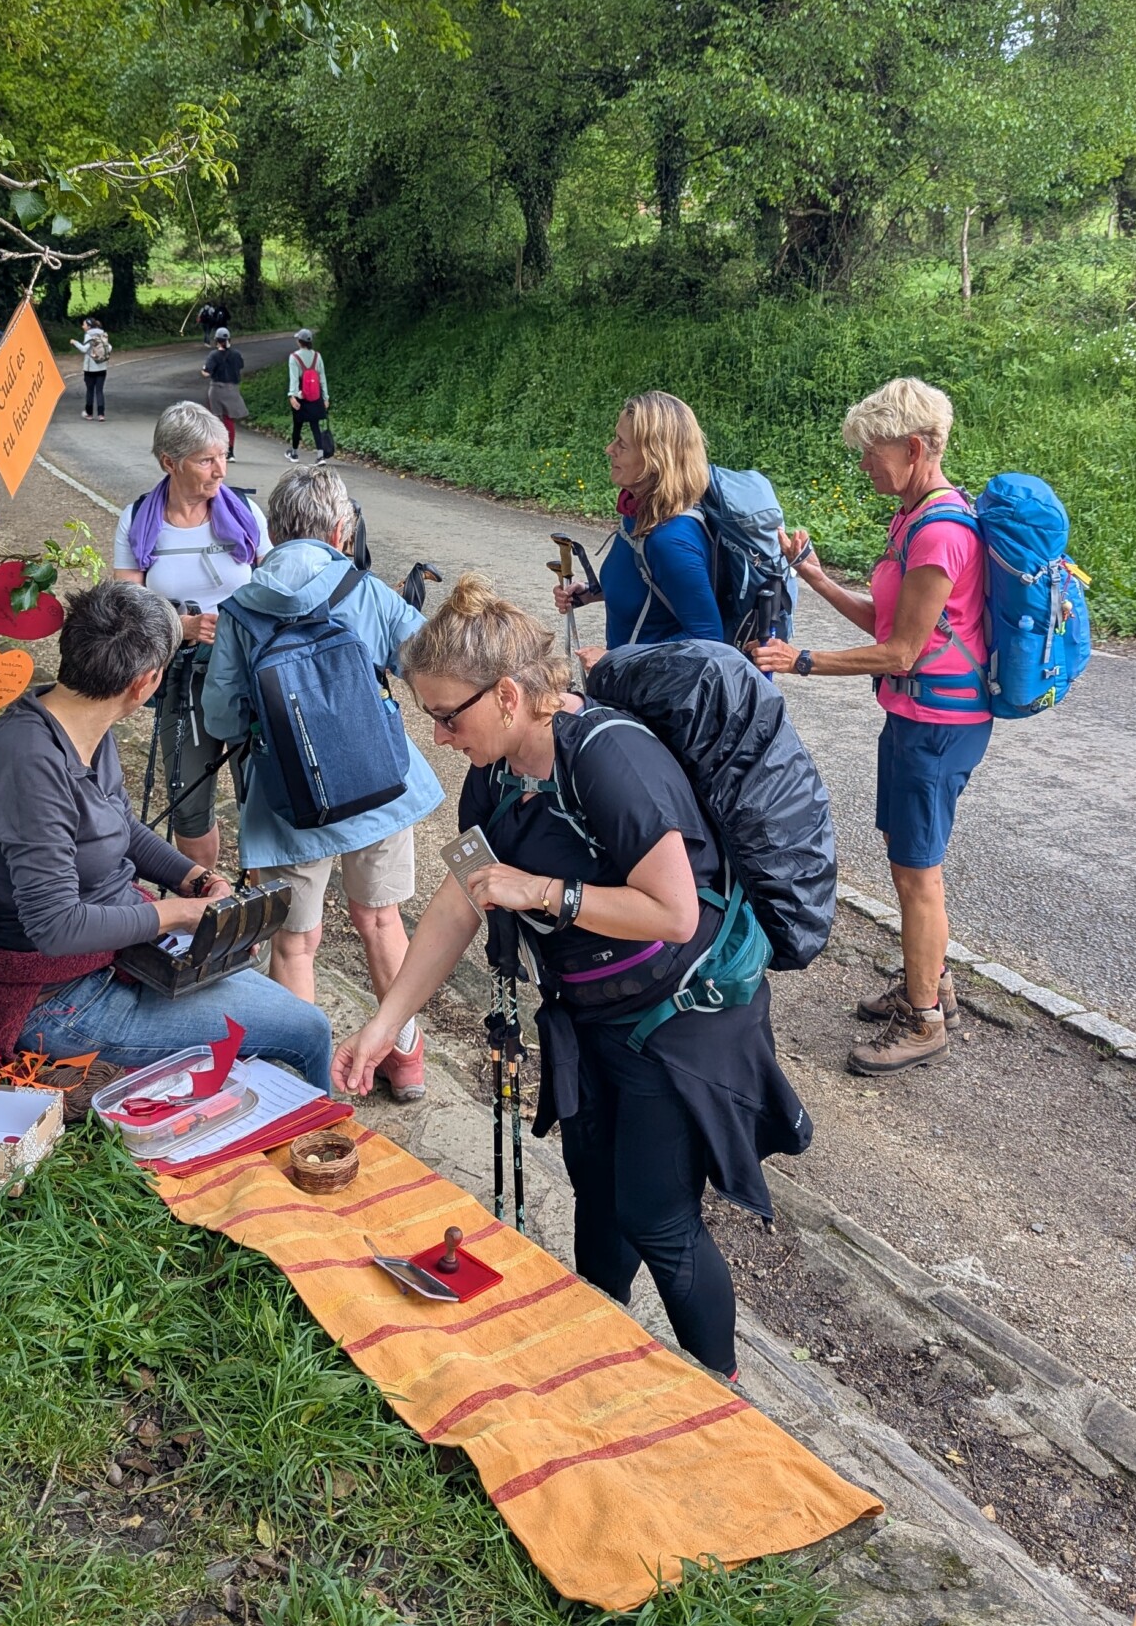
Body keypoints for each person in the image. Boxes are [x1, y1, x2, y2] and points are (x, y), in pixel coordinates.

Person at [331, 576, 809, 1379]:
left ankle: (722, 1397)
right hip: (591, 1008)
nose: (440, 737)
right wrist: (386, 1027)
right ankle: (596, 1349)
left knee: (657, 1215)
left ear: (509, 694)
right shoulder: (494, 777)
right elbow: (459, 902)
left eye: (448, 716)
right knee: (594, 1184)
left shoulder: (611, 758)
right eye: (431, 718)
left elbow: (674, 912)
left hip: (679, 1012)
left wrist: (545, 892)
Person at [0, 579, 333, 1090]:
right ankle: (315, 1154)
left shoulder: (82, 724)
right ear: (147, 682)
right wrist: (178, 914)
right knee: (308, 1028)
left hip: (124, 958)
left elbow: (120, 828)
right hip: (60, 996)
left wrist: (194, 879)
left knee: (255, 975)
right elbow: (55, 926)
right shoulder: (27, 763)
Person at [753, 376, 987, 1076]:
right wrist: (818, 580)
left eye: (872, 452)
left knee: (918, 877)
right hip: (915, 718)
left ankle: (925, 1021)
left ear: (915, 448)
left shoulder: (941, 531)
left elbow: (902, 652)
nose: (863, 465)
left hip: (939, 725)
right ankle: (930, 983)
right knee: (906, 858)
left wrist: (803, 661)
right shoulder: (914, 517)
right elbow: (892, 622)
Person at [201, 464, 443, 1099]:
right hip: (378, 788)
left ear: (275, 531)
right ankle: (406, 1057)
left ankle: (299, 1085)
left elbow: (221, 715)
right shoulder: (364, 589)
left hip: (288, 800)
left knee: (296, 942)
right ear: (343, 529)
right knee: (382, 921)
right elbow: (426, 667)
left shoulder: (241, 607)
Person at [112, 401, 265, 870]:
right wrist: (181, 627)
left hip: (249, 679)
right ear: (169, 462)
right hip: (182, 679)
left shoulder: (247, 514)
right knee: (189, 804)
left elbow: (276, 590)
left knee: (259, 799)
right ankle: (209, 901)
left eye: (223, 456)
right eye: (206, 460)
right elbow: (126, 610)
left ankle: (260, 910)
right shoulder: (139, 521)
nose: (220, 470)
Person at [555, 390, 724, 668]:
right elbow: (649, 589)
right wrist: (589, 593)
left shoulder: (670, 540)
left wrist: (615, 659)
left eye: (622, 444)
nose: (609, 449)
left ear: (655, 458)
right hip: (630, 683)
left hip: (656, 700)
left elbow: (708, 641)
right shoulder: (639, 513)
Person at [199, 326, 248, 460]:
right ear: (229, 340)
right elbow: (240, 366)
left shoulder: (213, 355)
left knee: (215, 419)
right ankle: (230, 451)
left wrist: (203, 370)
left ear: (216, 340)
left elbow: (206, 372)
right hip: (233, 389)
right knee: (229, 420)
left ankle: (215, 450)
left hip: (217, 389)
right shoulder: (236, 354)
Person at [286, 329, 333, 461]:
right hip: (315, 395)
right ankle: (320, 456)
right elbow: (322, 377)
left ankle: (294, 453)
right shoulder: (317, 356)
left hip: (301, 396)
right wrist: (326, 397)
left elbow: (294, 378)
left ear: (299, 342)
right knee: (315, 425)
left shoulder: (294, 357)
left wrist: (292, 396)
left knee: (297, 425)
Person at [70, 316, 113, 421]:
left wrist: (74, 342)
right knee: (99, 391)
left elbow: (84, 349)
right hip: (102, 367)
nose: (82, 326)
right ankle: (101, 414)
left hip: (90, 369)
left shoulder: (89, 335)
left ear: (89, 326)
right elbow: (109, 347)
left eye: (84, 324)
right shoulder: (103, 334)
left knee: (90, 391)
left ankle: (89, 413)